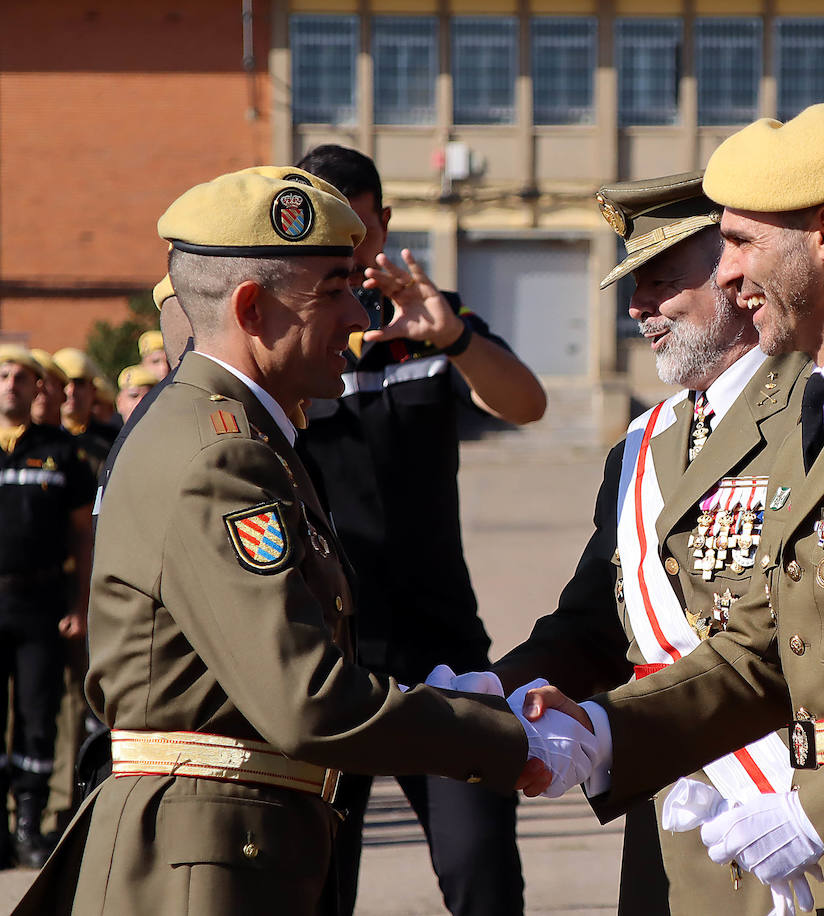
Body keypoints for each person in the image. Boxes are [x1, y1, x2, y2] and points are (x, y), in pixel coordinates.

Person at [13, 169, 592, 916]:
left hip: (237, 842)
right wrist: (509, 739)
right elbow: (308, 701)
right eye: (333, 291)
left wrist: (466, 694)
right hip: (205, 864)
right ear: (252, 309)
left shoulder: (245, 435)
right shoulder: (221, 455)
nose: (357, 313)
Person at [527, 103, 824, 911]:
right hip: (796, 835)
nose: (730, 274)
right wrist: (605, 732)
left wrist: (820, 812)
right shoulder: (823, 410)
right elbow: (759, 644)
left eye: (742, 242)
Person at [485, 170, 812, 915]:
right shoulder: (644, 441)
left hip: (785, 809)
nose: (637, 308)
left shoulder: (815, 410)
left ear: (736, 274)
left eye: (661, 280)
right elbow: (596, 624)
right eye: (633, 284)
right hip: (669, 810)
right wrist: (486, 696)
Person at [293, 143, 547, 916]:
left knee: (482, 872)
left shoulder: (437, 325)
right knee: (320, 885)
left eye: (358, 229)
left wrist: (453, 340)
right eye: (325, 233)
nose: (346, 249)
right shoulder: (289, 337)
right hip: (331, 663)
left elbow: (527, 404)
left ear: (384, 223)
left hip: (443, 651)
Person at [0, 346, 95, 869]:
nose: (12, 383)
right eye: (4, 374)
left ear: (38, 387)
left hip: (40, 602)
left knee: (38, 717)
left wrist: (80, 604)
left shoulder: (60, 451)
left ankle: (28, 826)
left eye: (22, 376)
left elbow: (84, 536)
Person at [51, 348, 118, 468]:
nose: (71, 391)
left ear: (93, 390)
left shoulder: (113, 440)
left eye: (79, 383)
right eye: (65, 383)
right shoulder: (37, 440)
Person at [28, 350, 68, 428]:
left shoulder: (79, 440)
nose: (40, 390)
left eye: (47, 382)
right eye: (34, 382)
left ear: (63, 394)